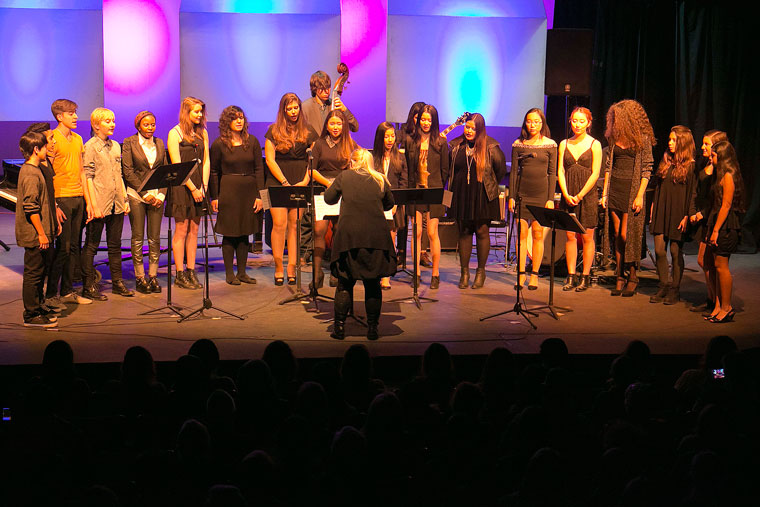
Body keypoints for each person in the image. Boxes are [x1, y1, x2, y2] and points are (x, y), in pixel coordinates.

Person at [324, 149, 396, 340]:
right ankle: (372, 329)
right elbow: (389, 204)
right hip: (376, 238)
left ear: (352, 162)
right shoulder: (380, 179)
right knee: (372, 284)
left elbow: (328, 199)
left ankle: (339, 329)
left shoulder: (344, 176)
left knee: (344, 283)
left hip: (350, 239)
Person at [601, 99, 655, 297]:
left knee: (627, 235)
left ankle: (633, 275)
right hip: (615, 188)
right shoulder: (614, 137)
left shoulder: (643, 139)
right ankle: (619, 275)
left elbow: (647, 169)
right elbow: (608, 167)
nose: (614, 121)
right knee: (617, 235)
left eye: (617, 117)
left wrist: (640, 195)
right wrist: (605, 192)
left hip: (632, 191)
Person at [447, 113, 507, 289]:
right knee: (464, 232)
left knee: (481, 231)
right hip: (461, 194)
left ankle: (480, 272)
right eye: (467, 127)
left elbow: (500, 170)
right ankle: (464, 273)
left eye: (473, 128)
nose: (469, 131)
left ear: (480, 128)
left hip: (483, 194)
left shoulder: (491, 146)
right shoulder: (456, 145)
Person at [265, 92, 319, 285]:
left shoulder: (309, 131)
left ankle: (292, 268)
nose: (293, 111)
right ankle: (279, 267)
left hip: (300, 181)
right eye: (289, 108)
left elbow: (313, 161)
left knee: (295, 226)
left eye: (296, 107)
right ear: (283, 110)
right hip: (277, 182)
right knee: (279, 225)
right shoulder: (273, 130)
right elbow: (270, 160)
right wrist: (284, 182)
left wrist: (305, 181)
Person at [81, 107, 133, 300]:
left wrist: (124, 199)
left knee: (115, 245)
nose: (112, 124)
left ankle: (118, 282)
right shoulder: (90, 147)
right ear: (96, 125)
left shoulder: (116, 147)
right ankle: (88, 285)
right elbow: (88, 177)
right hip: (99, 203)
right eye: (107, 121)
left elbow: (118, 175)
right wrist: (93, 205)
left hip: (116, 202)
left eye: (113, 120)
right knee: (92, 245)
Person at [210, 106, 265, 285]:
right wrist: (215, 197)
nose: (239, 121)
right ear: (227, 122)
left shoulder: (253, 142)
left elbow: (259, 169)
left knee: (244, 232)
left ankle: (242, 273)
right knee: (230, 232)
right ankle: (229, 274)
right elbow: (214, 171)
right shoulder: (219, 144)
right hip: (229, 190)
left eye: (241, 118)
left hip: (249, 191)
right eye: (235, 118)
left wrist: (260, 195)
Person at [45, 99, 91, 306]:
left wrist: (88, 201)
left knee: (74, 248)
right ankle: (51, 294)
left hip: (77, 198)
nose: (75, 116)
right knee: (62, 248)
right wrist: (53, 205)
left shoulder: (78, 139)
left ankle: (67, 291)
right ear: (59, 116)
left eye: (75, 112)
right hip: (61, 198)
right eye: (71, 113)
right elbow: (47, 174)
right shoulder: (51, 138)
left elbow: (82, 171)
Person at [509, 108, 557, 289]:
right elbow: (514, 172)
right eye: (529, 121)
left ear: (542, 123)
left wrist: (550, 198)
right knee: (521, 234)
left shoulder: (551, 145)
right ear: (525, 123)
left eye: (536, 121)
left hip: (541, 195)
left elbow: (552, 173)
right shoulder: (518, 144)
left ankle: (534, 274)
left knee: (537, 234)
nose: (533, 125)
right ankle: (521, 274)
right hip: (522, 194)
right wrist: (511, 196)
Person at [309, 109, 358, 289]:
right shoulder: (319, 144)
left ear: (343, 125)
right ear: (326, 126)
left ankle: (336, 271)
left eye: (339, 123)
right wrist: (330, 184)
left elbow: (358, 165)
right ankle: (317, 273)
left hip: (343, 191)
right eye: (332, 123)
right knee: (319, 230)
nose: (336, 127)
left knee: (339, 231)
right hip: (323, 190)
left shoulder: (350, 144)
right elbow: (311, 170)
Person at [16, 130, 60, 326]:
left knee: (41, 271)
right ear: (36, 149)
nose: (48, 148)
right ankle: (31, 314)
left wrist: (53, 225)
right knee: (33, 273)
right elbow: (31, 207)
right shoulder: (31, 173)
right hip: (35, 234)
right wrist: (42, 234)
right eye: (44, 146)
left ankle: (39, 305)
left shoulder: (38, 170)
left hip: (43, 232)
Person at [649, 125, 697, 305]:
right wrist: (654, 206)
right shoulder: (666, 160)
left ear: (683, 142)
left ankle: (675, 289)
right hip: (662, 209)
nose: (669, 143)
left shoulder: (691, 166)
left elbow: (692, 193)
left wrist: (687, 215)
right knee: (660, 250)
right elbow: (659, 187)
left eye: (673, 140)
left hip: (678, 212)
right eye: (669, 140)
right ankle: (663, 284)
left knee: (676, 251)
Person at [166, 97, 210, 290]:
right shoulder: (174, 133)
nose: (199, 115)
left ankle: (191, 270)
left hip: (199, 187)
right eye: (196, 111)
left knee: (194, 230)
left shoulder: (203, 133)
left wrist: (203, 186)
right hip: (183, 187)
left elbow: (206, 160)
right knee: (181, 230)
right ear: (186, 112)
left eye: (201, 111)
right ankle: (179, 273)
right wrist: (192, 188)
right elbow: (177, 165)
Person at [557, 107, 602, 292]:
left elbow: (596, 172)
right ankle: (571, 275)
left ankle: (585, 276)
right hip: (569, 193)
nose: (577, 124)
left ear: (589, 123)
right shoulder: (564, 143)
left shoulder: (595, 144)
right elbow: (560, 170)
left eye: (582, 121)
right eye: (574, 120)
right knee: (570, 236)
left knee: (587, 236)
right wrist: (566, 194)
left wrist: (581, 195)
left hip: (587, 194)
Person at [122, 111, 167, 294]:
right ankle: (140, 277)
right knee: (138, 237)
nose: (150, 128)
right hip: (137, 195)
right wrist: (145, 193)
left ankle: (153, 276)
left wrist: (161, 195)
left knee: (155, 238)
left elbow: (165, 170)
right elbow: (128, 172)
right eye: (146, 125)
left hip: (157, 196)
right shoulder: (129, 142)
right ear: (138, 125)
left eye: (153, 124)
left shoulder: (160, 142)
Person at [405, 104, 449, 288]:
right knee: (417, 232)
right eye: (423, 119)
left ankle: (435, 274)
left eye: (429, 120)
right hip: (416, 191)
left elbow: (445, 169)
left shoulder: (441, 141)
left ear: (434, 121)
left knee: (432, 232)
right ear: (418, 120)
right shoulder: (410, 141)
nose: (425, 123)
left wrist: (438, 188)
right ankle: (415, 273)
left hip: (435, 190)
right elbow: (408, 168)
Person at [703, 141, 745, 323]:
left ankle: (727, 307)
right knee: (716, 266)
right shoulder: (719, 175)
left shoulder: (728, 175)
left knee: (722, 267)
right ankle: (719, 305)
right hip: (717, 224)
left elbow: (726, 205)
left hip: (726, 226)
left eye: (714, 156)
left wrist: (716, 230)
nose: (711, 159)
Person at [688, 130, 728, 313]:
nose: (703, 147)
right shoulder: (706, 164)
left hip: (711, 218)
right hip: (703, 218)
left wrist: (703, 214)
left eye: (707, 144)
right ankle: (712, 299)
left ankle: (718, 301)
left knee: (708, 262)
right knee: (705, 262)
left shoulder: (721, 170)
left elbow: (717, 200)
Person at [372, 121, 408, 289]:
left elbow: (404, 183)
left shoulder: (400, 157)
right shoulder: (373, 158)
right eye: (386, 136)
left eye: (392, 136)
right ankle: (374, 272)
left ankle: (386, 276)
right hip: (375, 204)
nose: (390, 140)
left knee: (390, 240)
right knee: (374, 240)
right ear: (380, 138)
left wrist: (395, 204)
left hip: (393, 205)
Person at [397, 101, 426, 268]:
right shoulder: (403, 133)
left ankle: (421, 252)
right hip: (404, 179)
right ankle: (400, 251)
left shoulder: (428, 136)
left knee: (422, 220)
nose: (420, 121)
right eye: (417, 118)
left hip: (420, 180)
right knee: (402, 218)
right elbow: (394, 150)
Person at [301, 70, 359, 136]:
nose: (326, 91)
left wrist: (345, 110)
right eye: (322, 88)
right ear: (314, 89)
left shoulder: (334, 104)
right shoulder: (305, 107)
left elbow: (355, 127)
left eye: (328, 87)